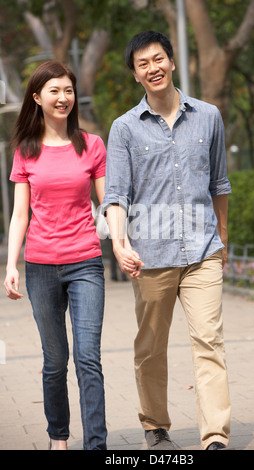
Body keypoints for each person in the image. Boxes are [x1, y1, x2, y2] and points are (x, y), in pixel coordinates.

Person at [102, 30, 231, 451]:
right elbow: (117, 194)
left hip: (202, 250)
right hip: (150, 255)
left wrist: (222, 237)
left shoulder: (209, 116)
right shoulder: (123, 129)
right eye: (143, 64)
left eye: (158, 59)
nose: (153, 68)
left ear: (172, 62)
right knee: (151, 347)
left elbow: (219, 183)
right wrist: (120, 243)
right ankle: (155, 423)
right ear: (136, 75)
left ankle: (214, 436)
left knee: (209, 340)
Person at [3, 61, 107, 450]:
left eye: (68, 90)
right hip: (42, 266)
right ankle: (58, 438)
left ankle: (97, 444)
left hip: (86, 263)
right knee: (55, 361)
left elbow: (108, 204)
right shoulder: (26, 150)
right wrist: (12, 265)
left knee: (88, 357)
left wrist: (125, 243)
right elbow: (19, 214)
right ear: (37, 98)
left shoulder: (92, 145)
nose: (63, 97)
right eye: (54, 91)